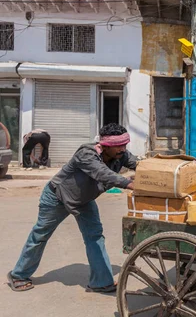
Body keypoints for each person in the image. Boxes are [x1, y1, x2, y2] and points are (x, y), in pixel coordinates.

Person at [7, 123, 138, 292]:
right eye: (117, 146)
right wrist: (129, 184)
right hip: (57, 197)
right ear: (105, 145)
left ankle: (101, 282)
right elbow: (102, 174)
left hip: (84, 201)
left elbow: (140, 165)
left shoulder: (122, 155)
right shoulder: (86, 153)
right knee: (40, 235)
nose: (122, 149)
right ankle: (18, 274)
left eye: (124, 145)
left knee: (95, 236)